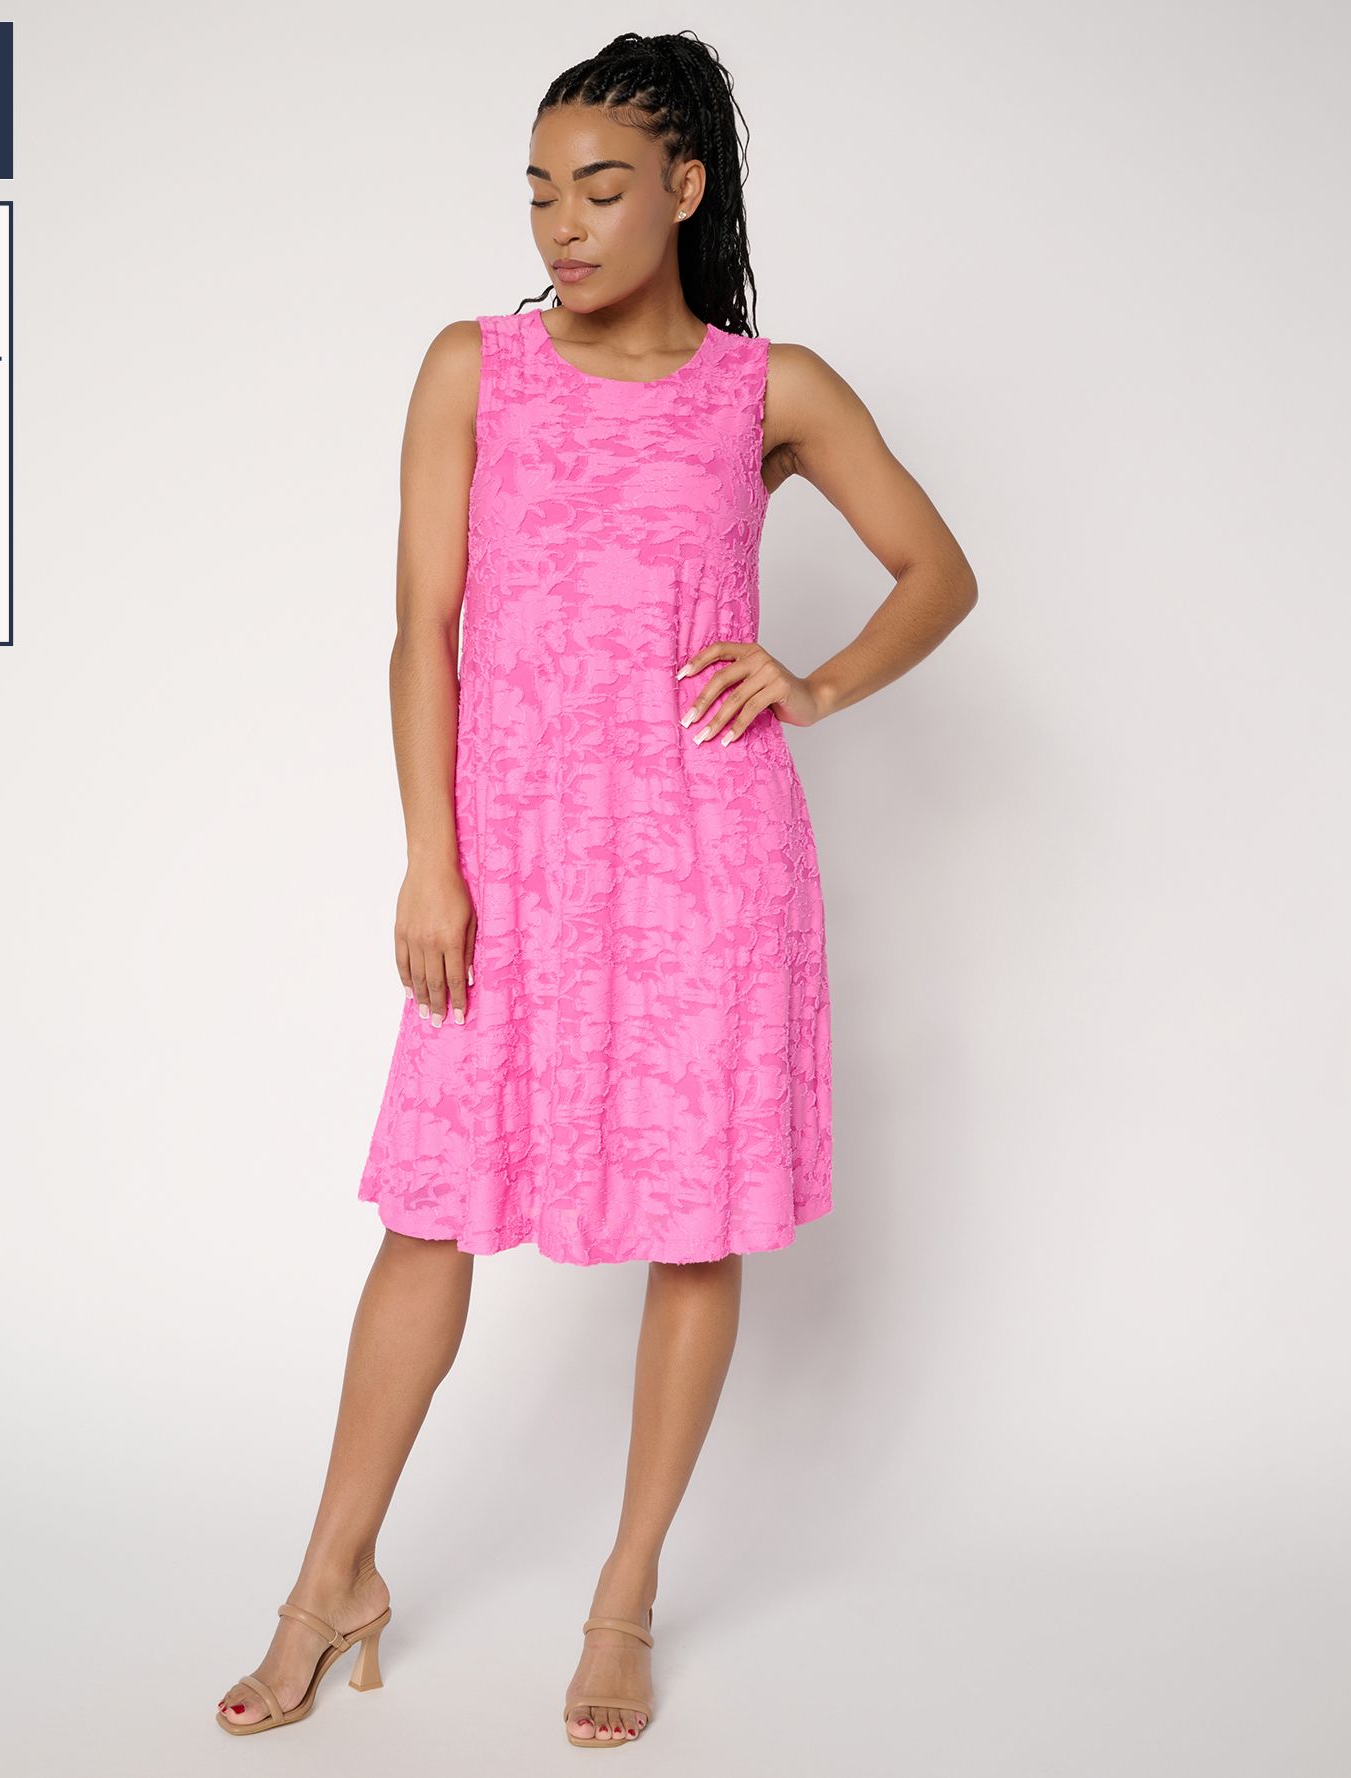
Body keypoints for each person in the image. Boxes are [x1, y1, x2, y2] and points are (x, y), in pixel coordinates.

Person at [215, 29, 977, 1747]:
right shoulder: (473, 367)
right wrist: (432, 859)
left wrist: (815, 684)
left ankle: (624, 1594)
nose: (564, 224)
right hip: (509, 864)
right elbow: (420, 630)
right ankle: (331, 1576)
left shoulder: (767, 389)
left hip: (707, 865)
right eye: (542, 192)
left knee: (693, 1221)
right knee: (429, 1207)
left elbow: (938, 570)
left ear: (685, 190)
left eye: (603, 188)